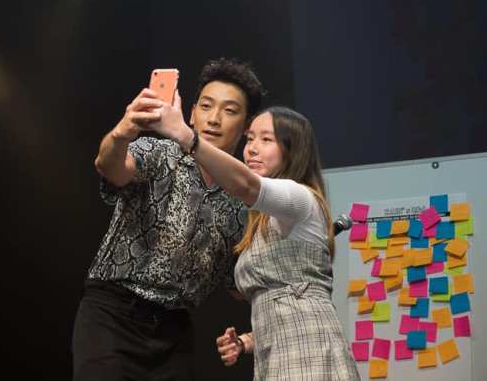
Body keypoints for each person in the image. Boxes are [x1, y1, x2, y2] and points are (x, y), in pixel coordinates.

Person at [71, 58, 265, 381]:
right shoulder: (158, 153)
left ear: (246, 126)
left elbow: (240, 284)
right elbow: (110, 166)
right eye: (206, 106)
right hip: (113, 314)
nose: (214, 119)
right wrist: (121, 133)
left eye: (230, 110)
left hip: (174, 330)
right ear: (191, 113)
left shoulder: (243, 199)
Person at [151, 102, 360, 380]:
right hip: (278, 352)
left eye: (266, 139)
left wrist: (186, 136)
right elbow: (283, 297)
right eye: (250, 139)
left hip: (309, 347)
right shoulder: (264, 218)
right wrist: (246, 341)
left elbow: (246, 185)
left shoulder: (300, 198)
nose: (251, 148)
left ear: (292, 150)